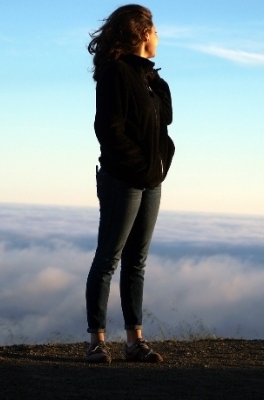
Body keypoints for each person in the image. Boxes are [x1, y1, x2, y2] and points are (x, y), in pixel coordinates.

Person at [85, 4, 175, 364]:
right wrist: (140, 167)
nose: (159, 37)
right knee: (109, 258)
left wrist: (161, 162)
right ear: (143, 33)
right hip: (122, 181)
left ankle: (135, 341)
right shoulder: (115, 74)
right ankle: (96, 342)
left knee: (136, 261)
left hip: (150, 181)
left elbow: (163, 124)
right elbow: (108, 132)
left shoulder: (147, 77)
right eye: (155, 31)